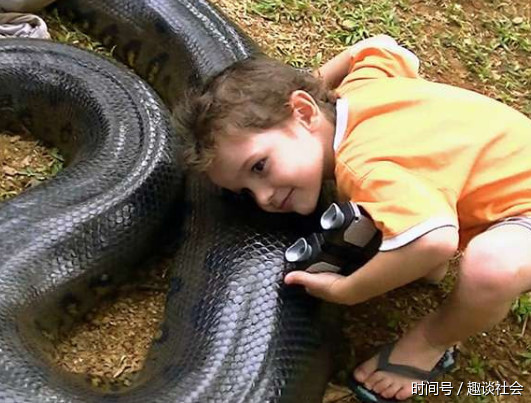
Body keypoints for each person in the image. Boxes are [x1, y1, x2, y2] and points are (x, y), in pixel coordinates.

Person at [177, 35, 531, 402]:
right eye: (246, 192)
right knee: (398, 219)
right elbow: (383, 48)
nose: (264, 197)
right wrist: (303, 88)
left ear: (305, 112)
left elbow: (433, 240)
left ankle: (430, 342)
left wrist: (350, 290)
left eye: (260, 166)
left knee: (492, 266)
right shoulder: (360, 91)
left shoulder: (362, 166)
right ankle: (420, 255)